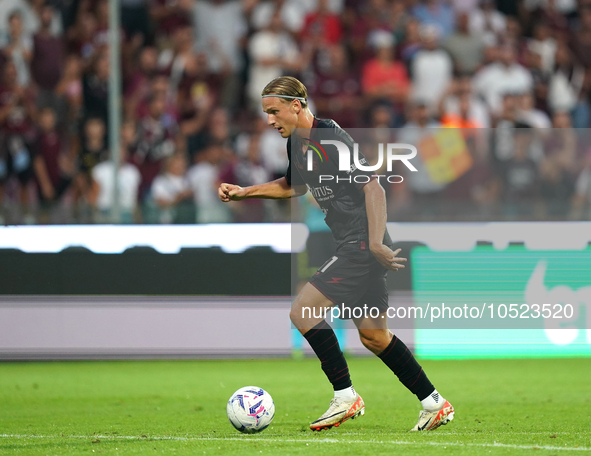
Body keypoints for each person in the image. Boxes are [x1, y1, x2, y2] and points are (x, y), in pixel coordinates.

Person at [218, 76, 454, 432]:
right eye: (266, 112)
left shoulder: (330, 138)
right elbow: (292, 186)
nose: (269, 120)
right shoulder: (298, 142)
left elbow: (373, 186)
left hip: (361, 242)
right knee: (374, 335)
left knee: (303, 312)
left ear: (296, 106)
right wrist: (244, 192)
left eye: (273, 111)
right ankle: (434, 403)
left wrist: (375, 243)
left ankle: (345, 396)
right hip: (356, 242)